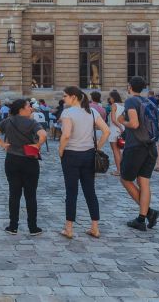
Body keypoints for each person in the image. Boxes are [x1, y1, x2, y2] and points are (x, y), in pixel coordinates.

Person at [0, 98, 47, 235]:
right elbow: (43, 134)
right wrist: (38, 145)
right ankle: (32, 227)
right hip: (29, 160)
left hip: (12, 159)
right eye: (28, 106)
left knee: (14, 194)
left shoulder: (8, 121)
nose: (31, 108)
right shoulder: (32, 122)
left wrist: (3, 144)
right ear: (21, 109)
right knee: (30, 195)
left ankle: (13, 226)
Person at [57, 86, 108, 239]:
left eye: (65, 96)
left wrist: (60, 150)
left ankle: (69, 228)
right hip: (89, 155)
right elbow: (106, 131)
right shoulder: (92, 111)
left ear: (73, 97)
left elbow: (66, 135)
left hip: (71, 154)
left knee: (71, 192)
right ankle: (95, 227)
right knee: (90, 191)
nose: (64, 98)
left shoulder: (67, 112)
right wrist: (97, 146)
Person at [117, 76, 159, 232]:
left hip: (135, 146)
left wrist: (121, 121)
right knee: (144, 182)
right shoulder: (150, 102)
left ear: (130, 87)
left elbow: (134, 123)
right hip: (151, 146)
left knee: (125, 179)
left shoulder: (131, 101)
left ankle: (148, 213)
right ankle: (142, 217)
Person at [106, 90, 125, 176]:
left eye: (110, 97)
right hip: (122, 129)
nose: (109, 99)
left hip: (115, 129)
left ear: (113, 98)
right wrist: (122, 127)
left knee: (115, 151)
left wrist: (119, 126)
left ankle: (119, 170)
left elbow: (113, 119)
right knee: (120, 151)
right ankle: (122, 169)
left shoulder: (114, 106)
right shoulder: (123, 106)